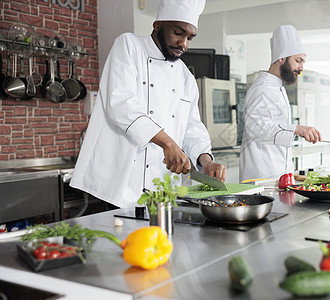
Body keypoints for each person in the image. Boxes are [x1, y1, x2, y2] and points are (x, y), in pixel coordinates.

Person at [70, 0, 226, 208]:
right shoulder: (128, 46)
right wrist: (168, 143)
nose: (184, 44)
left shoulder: (185, 77)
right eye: (178, 33)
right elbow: (121, 103)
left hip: (162, 188)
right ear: (157, 25)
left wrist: (206, 161)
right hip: (119, 188)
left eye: (190, 38)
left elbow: (192, 127)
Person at [239, 24, 321, 182]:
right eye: (298, 61)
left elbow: (274, 128)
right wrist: (297, 129)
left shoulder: (277, 87)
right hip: (261, 178)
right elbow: (255, 128)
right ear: (281, 58)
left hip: (278, 176)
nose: (301, 68)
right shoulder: (263, 88)